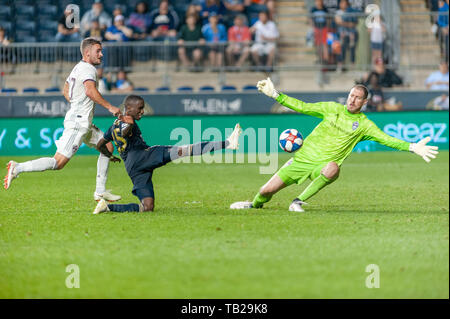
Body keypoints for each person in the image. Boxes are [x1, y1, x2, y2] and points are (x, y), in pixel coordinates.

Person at [230, 77, 439, 212]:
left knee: (333, 169)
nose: (353, 100)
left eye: (358, 98)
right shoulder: (331, 108)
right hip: (300, 161)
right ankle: (253, 204)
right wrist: (276, 95)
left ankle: (297, 201)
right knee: (265, 192)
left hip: (321, 166)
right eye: (351, 95)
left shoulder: (364, 125)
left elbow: (387, 139)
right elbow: (302, 107)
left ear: (364, 102)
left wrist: (412, 147)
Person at [4, 38, 122, 203]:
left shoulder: (78, 68)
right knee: (58, 163)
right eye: (98, 51)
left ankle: (100, 192)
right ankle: (18, 167)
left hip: (82, 122)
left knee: (107, 146)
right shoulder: (87, 69)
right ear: (87, 53)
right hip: (78, 123)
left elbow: (66, 90)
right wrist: (110, 107)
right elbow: (90, 91)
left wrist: (76, 104)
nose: (101, 55)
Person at [92, 95, 243, 214]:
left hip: (132, 167)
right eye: (139, 108)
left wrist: (109, 155)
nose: (142, 111)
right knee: (185, 150)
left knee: (147, 206)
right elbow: (126, 130)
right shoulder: (128, 121)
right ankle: (228, 143)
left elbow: (100, 145)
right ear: (128, 108)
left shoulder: (113, 126)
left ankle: (107, 208)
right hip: (143, 155)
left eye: (143, 108)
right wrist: (130, 125)